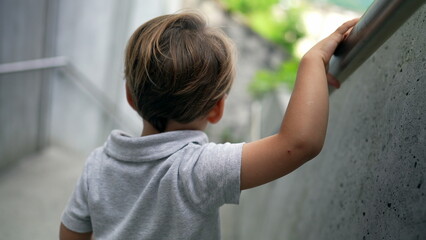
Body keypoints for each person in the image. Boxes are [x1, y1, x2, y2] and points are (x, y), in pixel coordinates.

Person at [59, 11, 358, 240]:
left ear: (130, 97)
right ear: (217, 109)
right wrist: (312, 63)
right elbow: (298, 143)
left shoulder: (97, 165)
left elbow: (71, 235)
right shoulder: (198, 170)